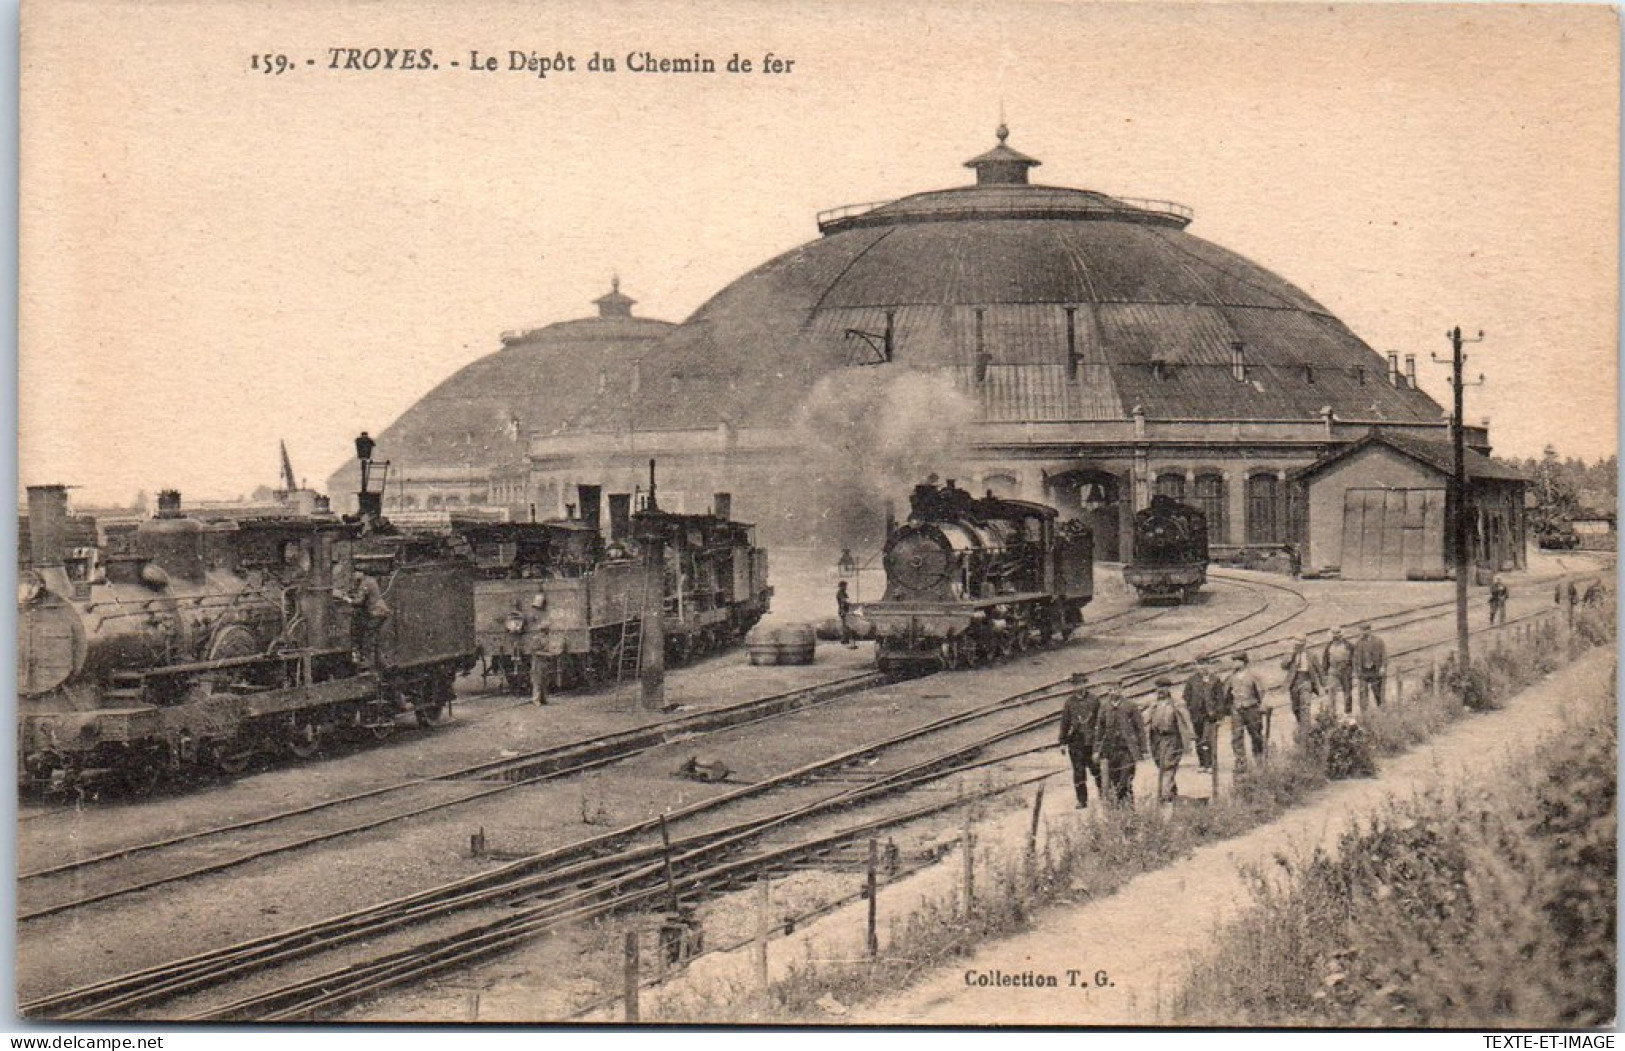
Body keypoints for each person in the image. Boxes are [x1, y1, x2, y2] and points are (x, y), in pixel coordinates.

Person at [1092, 678, 1145, 805]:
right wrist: (1096, 750)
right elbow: (1099, 731)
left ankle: (1129, 812)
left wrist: (1143, 749)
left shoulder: (1130, 706)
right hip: (1110, 751)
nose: (1113, 692)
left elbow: (1140, 728)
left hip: (1127, 750)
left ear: (1121, 689)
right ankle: (1118, 813)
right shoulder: (1104, 707)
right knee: (1114, 781)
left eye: (1115, 689)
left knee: (1125, 781)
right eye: (1110, 690)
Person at [1144, 677, 1196, 803]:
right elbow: (1145, 719)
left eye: (1164, 687)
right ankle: (1171, 791)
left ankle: (1164, 794)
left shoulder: (1177, 702)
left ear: (1169, 688)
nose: (1161, 690)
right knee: (1159, 764)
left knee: (1168, 764)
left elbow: (1186, 717)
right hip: (1156, 738)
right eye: (1159, 687)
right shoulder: (1152, 702)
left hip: (1172, 737)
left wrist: (1191, 733)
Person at [1056, 672, 1102, 809]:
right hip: (1076, 742)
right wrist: (1062, 742)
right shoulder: (1069, 703)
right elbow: (1065, 723)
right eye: (1075, 684)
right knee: (1078, 772)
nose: (1078, 687)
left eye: (1081, 683)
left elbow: (1101, 720)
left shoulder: (1094, 700)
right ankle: (1082, 800)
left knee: (1097, 769)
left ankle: (1104, 794)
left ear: (1085, 684)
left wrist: (1100, 740)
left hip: (1092, 741)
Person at [334, 570, 390, 667]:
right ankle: (380, 662)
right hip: (380, 611)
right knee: (374, 638)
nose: (354, 575)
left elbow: (359, 601)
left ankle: (368, 662)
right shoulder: (369, 580)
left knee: (368, 636)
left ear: (361, 573)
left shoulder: (365, 583)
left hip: (377, 612)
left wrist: (345, 599)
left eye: (355, 573)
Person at [1182, 656, 1226, 772]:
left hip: (1210, 715)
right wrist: (1191, 708)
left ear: (1209, 665)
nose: (1203, 667)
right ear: (1196, 666)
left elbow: (1220, 699)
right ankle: (1202, 763)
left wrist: (1219, 716)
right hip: (1196, 715)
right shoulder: (1191, 680)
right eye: (1200, 665)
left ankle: (1210, 764)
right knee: (1198, 739)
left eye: (1205, 664)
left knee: (1208, 739)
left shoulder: (1215, 680)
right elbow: (1186, 696)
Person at [1228, 652, 1268, 772]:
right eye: (1234, 661)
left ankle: (1259, 759)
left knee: (1256, 735)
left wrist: (1262, 705)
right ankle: (1241, 762)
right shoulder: (1231, 677)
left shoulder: (1253, 676)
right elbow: (1226, 693)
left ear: (1244, 662)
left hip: (1251, 708)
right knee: (1237, 736)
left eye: (1237, 661)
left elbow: (1261, 691)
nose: (1235, 663)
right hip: (1237, 710)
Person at [1280, 635, 1323, 741]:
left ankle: (1306, 731)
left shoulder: (1311, 655)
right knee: (1295, 708)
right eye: (1296, 645)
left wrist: (1322, 686)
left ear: (1304, 644)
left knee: (1305, 706)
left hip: (1306, 681)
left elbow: (1319, 670)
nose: (1297, 647)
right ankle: (1302, 725)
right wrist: (1289, 657)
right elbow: (1283, 666)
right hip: (1294, 682)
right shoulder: (1291, 654)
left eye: (1299, 645)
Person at [528, 596, 556, 706]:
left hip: (545, 662)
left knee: (545, 681)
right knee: (537, 681)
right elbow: (534, 651)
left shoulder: (546, 638)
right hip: (538, 662)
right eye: (547, 630)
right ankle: (536, 700)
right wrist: (548, 654)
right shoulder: (537, 638)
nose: (548, 631)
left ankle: (544, 699)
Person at [1353, 623, 1387, 712]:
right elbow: (1355, 658)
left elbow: (1384, 655)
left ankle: (1381, 709)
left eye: (1365, 630)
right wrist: (1356, 671)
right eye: (1362, 630)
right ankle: (1364, 713)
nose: (1364, 632)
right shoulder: (1358, 643)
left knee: (1377, 691)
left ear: (1370, 630)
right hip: (1364, 671)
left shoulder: (1378, 641)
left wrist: (1383, 667)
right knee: (1363, 693)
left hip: (1375, 670)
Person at [1323, 627, 1356, 715]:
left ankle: (1348, 713)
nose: (1336, 637)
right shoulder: (1329, 646)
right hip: (1333, 670)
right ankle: (1332, 713)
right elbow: (1325, 660)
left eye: (1338, 635)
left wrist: (1352, 668)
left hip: (1345, 670)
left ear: (1341, 635)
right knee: (1331, 691)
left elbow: (1355, 656)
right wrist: (1325, 674)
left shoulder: (1348, 645)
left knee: (1347, 692)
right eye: (1334, 636)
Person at [836, 580, 856, 648]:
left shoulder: (843, 592)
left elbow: (847, 600)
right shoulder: (840, 593)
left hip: (845, 610)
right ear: (842, 586)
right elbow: (844, 601)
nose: (846, 587)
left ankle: (845, 639)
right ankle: (844, 640)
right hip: (843, 611)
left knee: (846, 625)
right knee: (846, 625)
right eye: (845, 586)